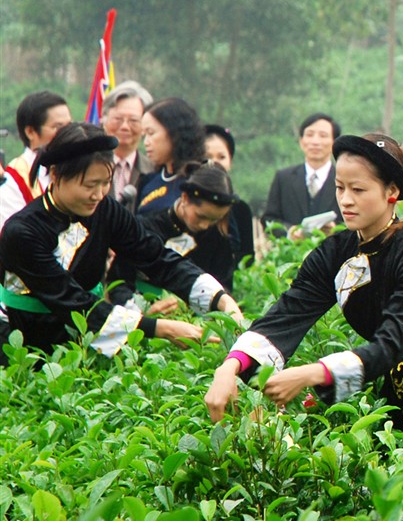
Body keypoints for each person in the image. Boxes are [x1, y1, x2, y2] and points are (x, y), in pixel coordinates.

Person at [205, 133, 403, 426]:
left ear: (392, 192)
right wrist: (229, 367)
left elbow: (390, 343)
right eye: (340, 187)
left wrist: (312, 373)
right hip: (385, 386)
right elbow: (288, 314)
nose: (346, 200)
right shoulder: (335, 252)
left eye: (358, 189)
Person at [0, 124, 243, 359]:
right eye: (89, 185)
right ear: (55, 174)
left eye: (105, 183)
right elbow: (72, 302)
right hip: (23, 347)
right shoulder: (22, 232)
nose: (98, 194)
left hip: (83, 343)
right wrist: (162, 329)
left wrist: (219, 298)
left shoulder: (104, 209)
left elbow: (155, 255)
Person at [108, 162, 240, 310]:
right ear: (185, 198)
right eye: (200, 216)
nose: (205, 225)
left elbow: (224, 288)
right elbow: (118, 283)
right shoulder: (146, 228)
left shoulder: (218, 240)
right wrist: (142, 312)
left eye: (214, 220)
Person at [0, 91, 72, 232]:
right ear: (30, 132)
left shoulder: (75, 166)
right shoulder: (13, 180)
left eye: (69, 125)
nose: (68, 133)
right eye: (58, 127)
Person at [262, 113, 341, 238]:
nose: (315, 141)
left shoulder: (344, 180)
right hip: (292, 255)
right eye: (309, 135)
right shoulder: (283, 178)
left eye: (323, 135)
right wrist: (289, 232)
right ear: (301, 141)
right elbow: (269, 219)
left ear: (335, 142)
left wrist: (335, 231)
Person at [136, 98, 207, 215]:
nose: (146, 142)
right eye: (144, 136)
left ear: (175, 133)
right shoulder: (147, 181)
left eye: (151, 133)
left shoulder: (200, 182)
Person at [205, 124, 255, 268]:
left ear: (230, 162)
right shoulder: (186, 203)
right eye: (207, 157)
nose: (214, 163)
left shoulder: (241, 209)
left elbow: (247, 260)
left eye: (221, 157)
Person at [101, 81, 155, 205]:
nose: (125, 126)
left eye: (133, 120)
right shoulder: (87, 165)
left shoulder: (153, 170)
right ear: (104, 120)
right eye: (118, 119)